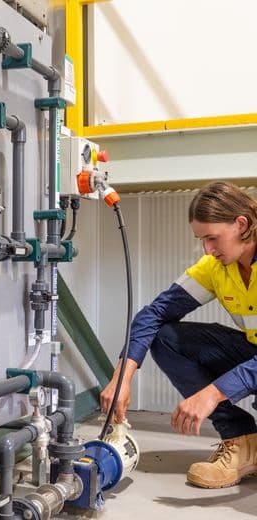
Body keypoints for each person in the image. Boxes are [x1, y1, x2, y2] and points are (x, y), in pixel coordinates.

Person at [100, 180, 257, 489]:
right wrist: (123, 377)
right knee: (165, 337)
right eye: (202, 240)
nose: (208, 250)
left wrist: (212, 393)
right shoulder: (216, 266)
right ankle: (242, 443)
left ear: (241, 224)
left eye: (213, 238)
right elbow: (154, 314)